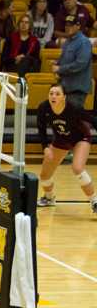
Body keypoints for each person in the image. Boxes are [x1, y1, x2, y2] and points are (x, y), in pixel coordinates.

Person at [36, 83, 97, 212]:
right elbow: (41, 128)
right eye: (51, 93)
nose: (53, 96)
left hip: (80, 138)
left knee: (77, 168)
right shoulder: (43, 108)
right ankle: (49, 198)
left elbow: (93, 121)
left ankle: (94, 201)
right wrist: (45, 147)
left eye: (57, 94)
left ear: (64, 97)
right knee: (44, 174)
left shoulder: (74, 108)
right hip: (61, 139)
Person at [52, 15, 94, 109]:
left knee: (73, 117)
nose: (68, 27)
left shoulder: (84, 42)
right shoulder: (67, 42)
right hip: (66, 87)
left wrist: (60, 68)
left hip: (77, 89)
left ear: (78, 26)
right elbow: (63, 60)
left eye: (71, 25)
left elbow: (80, 64)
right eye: (66, 25)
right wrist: (57, 64)